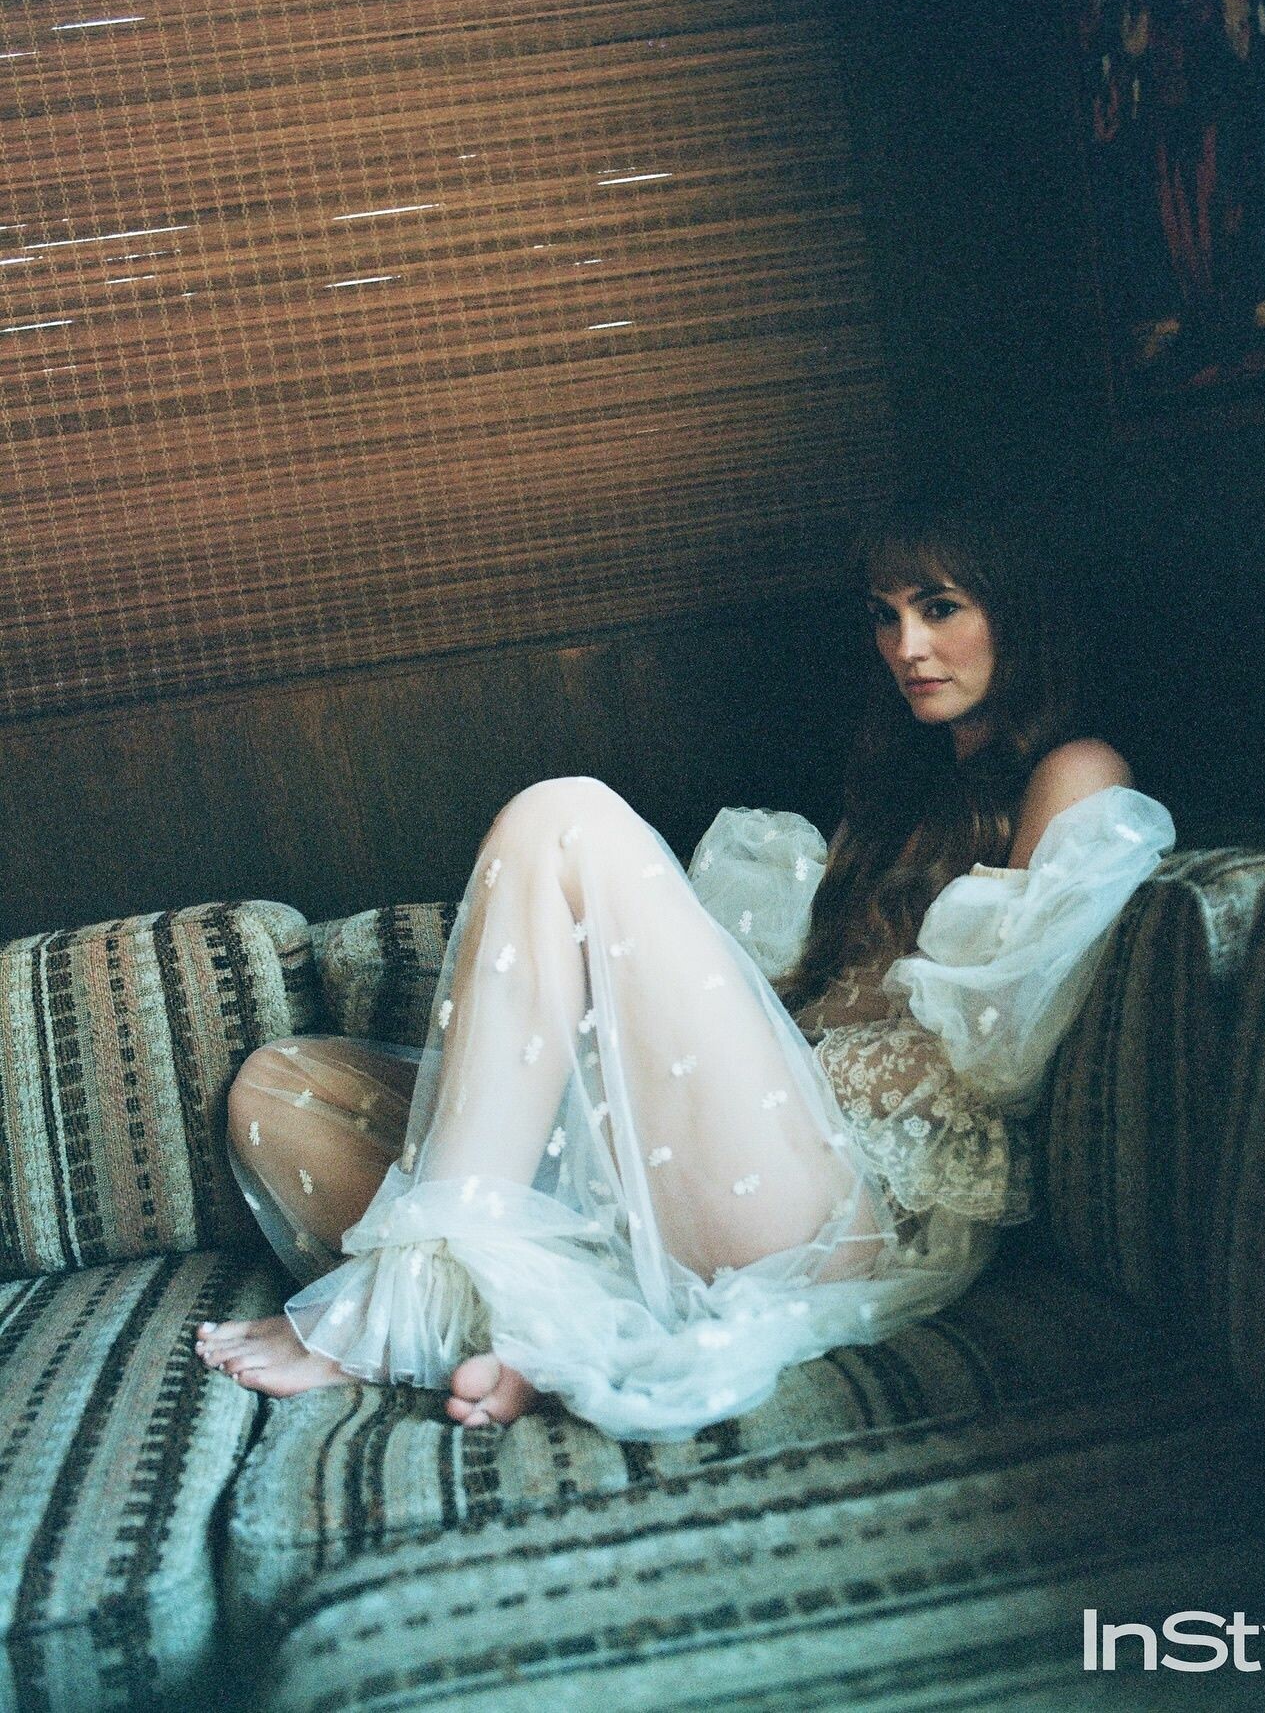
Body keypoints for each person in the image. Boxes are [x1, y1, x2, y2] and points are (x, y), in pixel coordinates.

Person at [196, 492, 1174, 1441]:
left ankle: (400, 1307)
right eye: (886, 615)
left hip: (849, 1207)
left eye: (940, 608)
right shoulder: (898, 796)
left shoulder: (1076, 771)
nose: (906, 646)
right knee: (277, 1087)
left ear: (1019, 611)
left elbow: (1002, 1049)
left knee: (566, 815)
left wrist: (771, 1063)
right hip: (735, 1164)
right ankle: (545, 1324)